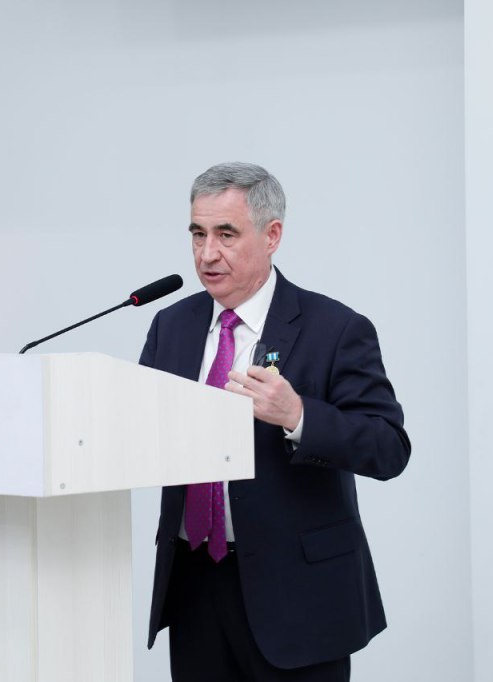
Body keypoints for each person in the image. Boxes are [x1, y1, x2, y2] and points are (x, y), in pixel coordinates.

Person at [139, 162, 411, 681]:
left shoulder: (335, 328)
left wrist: (300, 416)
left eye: (226, 235)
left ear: (272, 236)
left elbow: (388, 447)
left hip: (299, 596)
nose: (207, 254)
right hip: (195, 585)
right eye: (197, 234)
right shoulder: (171, 325)